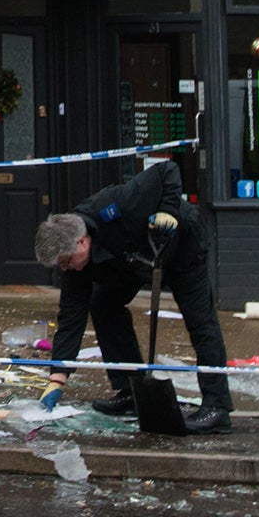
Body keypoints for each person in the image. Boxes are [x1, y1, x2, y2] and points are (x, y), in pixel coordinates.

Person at [30, 159, 233, 435]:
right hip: (131, 262)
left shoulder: (121, 204)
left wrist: (168, 211)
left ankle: (217, 407)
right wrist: (58, 378)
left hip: (181, 245)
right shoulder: (75, 263)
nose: (66, 268)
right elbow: (71, 316)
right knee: (103, 305)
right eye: (61, 265)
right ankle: (130, 391)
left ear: (82, 241)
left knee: (200, 321)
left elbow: (167, 170)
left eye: (66, 261)